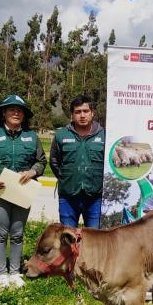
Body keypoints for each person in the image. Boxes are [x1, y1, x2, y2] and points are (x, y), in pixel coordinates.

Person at [0, 94, 47, 288]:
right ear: (4, 113)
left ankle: (14, 272)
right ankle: (2, 273)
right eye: (12, 109)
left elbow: (41, 161)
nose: (16, 113)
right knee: (1, 232)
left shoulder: (31, 137)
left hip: (23, 192)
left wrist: (33, 171)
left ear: (24, 115)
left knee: (17, 233)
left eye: (19, 110)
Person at [49, 95, 106, 228]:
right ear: (72, 115)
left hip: (95, 197)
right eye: (78, 112)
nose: (82, 115)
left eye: (86, 111)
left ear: (92, 113)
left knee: (94, 240)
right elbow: (54, 162)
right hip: (68, 197)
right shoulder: (61, 135)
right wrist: (67, 178)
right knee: (68, 238)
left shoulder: (104, 135)